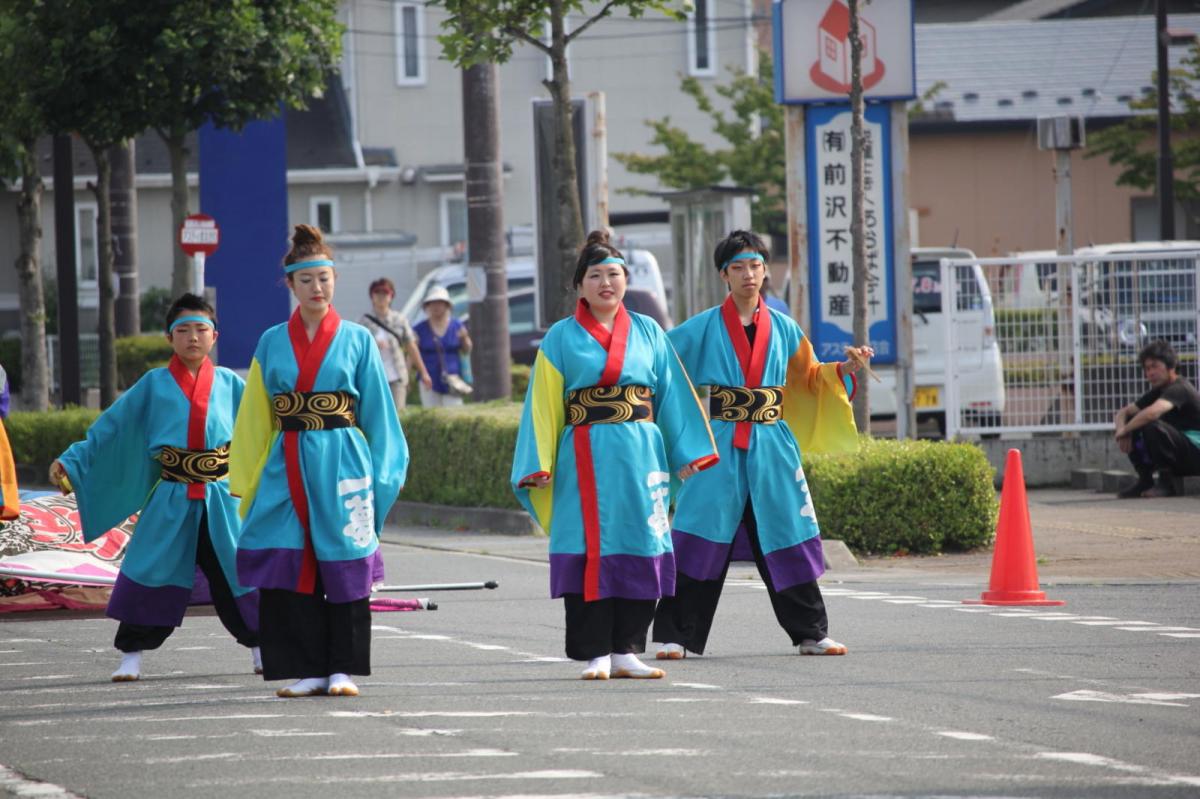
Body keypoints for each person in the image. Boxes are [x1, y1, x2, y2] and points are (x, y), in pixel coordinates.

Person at [652, 229, 871, 661]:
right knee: (697, 537)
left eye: (755, 265)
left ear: (766, 271)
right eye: (738, 267)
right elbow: (662, 367)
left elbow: (810, 379)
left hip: (771, 447)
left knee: (784, 535)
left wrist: (845, 368)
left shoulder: (786, 329)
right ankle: (674, 635)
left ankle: (811, 632)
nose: (748, 274)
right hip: (719, 449)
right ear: (724, 276)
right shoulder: (700, 329)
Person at [512, 230, 719, 681]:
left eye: (614, 274)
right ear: (579, 285)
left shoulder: (648, 332)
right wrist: (539, 463)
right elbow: (544, 404)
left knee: (642, 543)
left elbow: (673, 397)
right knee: (588, 546)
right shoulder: (560, 339)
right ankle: (595, 653)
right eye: (596, 275)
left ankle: (627, 649)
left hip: (643, 456)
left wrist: (685, 452)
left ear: (626, 280)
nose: (606, 283)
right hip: (584, 456)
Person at [230, 224, 408, 698]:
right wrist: (244, 478)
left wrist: (381, 478)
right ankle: (307, 668)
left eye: (324, 278)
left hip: (343, 464)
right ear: (290, 285)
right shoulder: (271, 342)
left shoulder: (357, 340)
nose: (317, 288)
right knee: (290, 566)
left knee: (344, 564)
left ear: (334, 281)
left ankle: (342, 669)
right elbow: (254, 415)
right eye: (306, 280)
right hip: (286, 465)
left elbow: (379, 416)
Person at [49, 293, 260, 682]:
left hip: (221, 498)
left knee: (238, 571)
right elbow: (110, 427)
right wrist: (72, 460)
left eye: (201, 329)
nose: (193, 338)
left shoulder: (232, 383)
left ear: (215, 336)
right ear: (169, 338)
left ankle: (262, 648)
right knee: (151, 570)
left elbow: (261, 430)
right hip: (172, 497)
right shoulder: (153, 384)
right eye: (183, 330)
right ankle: (131, 654)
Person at [1114, 339, 1200, 498]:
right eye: (1147, 369)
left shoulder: (1180, 388)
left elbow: (1152, 413)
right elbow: (1123, 412)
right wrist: (1122, 430)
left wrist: (1126, 429)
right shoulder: (1159, 390)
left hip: (1196, 454)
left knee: (1149, 423)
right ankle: (1145, 480)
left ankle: (1166, 483)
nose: (1150, 373)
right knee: (1134, 420)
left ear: (1170, 367)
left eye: (1155, 366)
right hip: (1182, 454)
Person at [360, 277, 432, 411]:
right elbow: (358, 351)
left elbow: (411, 346)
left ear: (391, 296)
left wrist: (424, 372)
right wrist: (373, 344)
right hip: (373, 379)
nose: (381, 296)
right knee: (376, 417)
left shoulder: (399, 319)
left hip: (397, 376)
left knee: (398, 416)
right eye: (377, 292)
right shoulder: (364, 322)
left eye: (385, 293)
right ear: (372, 296)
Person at [414, 285, 473, 407]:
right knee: (432, 416)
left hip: (453, 378)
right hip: (428, 379)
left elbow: (467, 350)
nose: (436, 307)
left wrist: (464, 338)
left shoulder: (457, 325)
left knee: (455, 414)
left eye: (440, 303)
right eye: (432, 303)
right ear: (427, 306)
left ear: (447, 305)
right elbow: (412, 353)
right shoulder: (419, 329)